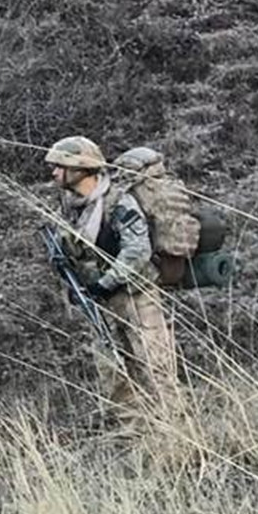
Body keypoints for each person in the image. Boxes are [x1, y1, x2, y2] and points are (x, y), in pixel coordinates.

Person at [45, 135, 181, 415]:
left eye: (60, 166)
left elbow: (137, 251)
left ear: (79, 168)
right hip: (101, 300)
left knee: (156, 366)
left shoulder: (119, 202)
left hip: (136, 296)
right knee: (113, 371)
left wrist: (105, 283)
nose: (54, 173)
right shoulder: (72, 207)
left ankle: (176, 426)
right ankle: (133, 428)